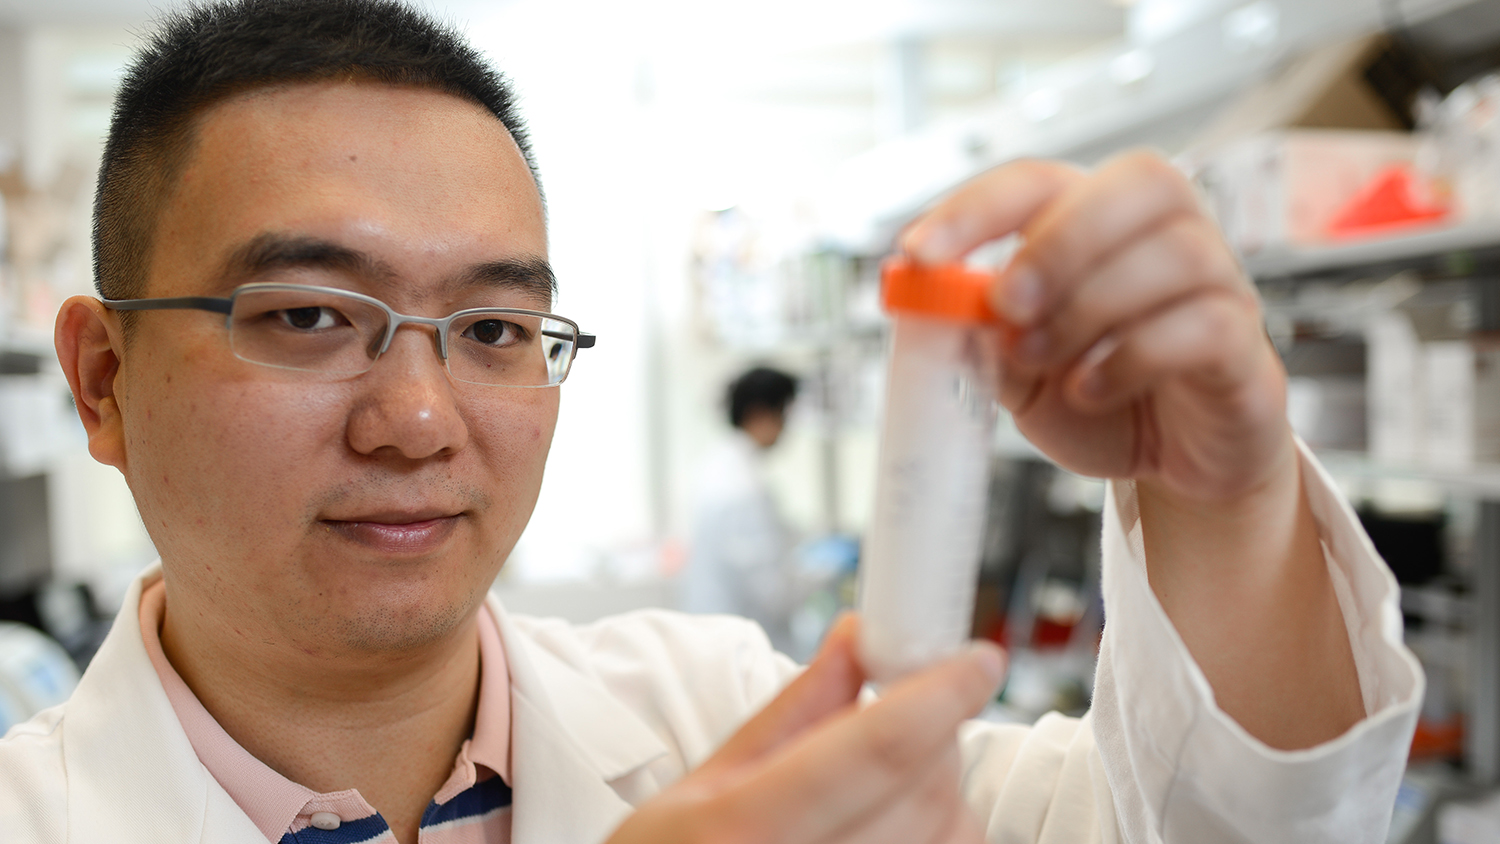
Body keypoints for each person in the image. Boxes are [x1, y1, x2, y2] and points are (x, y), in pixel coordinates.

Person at [0, 1, 1421, 842]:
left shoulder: (726, 716)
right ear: (104, 380)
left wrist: (1221, 498)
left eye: (494, 329)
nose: (419, 417)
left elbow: (1203, 829)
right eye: (309, 316)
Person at [680, 367, 801, 652]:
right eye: (783, 414)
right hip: (736, 643)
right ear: (761, 413)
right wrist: (819, 576)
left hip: (712, 631)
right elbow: (771, 592)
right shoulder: (743, 486)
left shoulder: (719, 466)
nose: (786, 428)